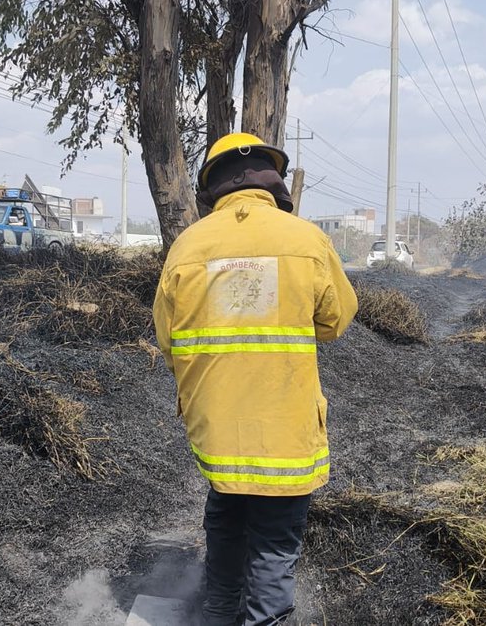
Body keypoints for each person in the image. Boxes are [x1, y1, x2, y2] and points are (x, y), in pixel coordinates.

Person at [153, 132, 358, 626]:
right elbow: (335, 321)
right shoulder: (306, 239)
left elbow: (166, 337)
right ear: (273, 179)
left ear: (212, 186)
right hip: (284, 427)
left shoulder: (187, 246)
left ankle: (219, 613)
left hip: (218, 430)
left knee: (226, 517)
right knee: (273, 543)